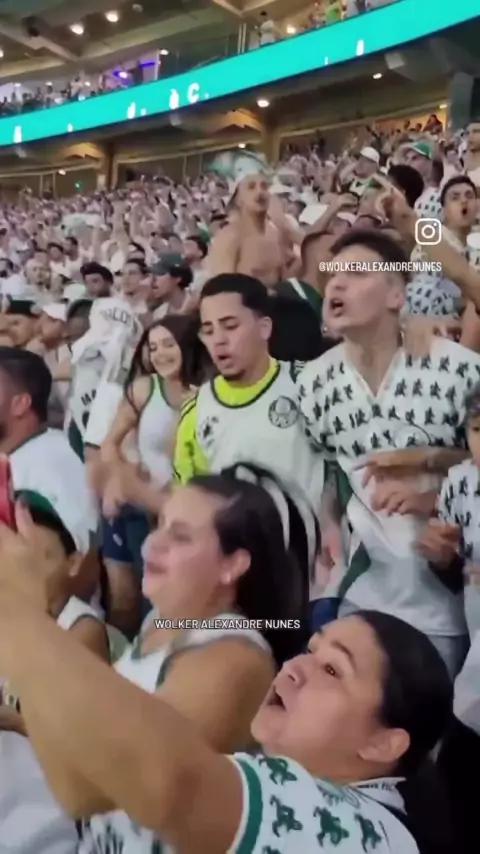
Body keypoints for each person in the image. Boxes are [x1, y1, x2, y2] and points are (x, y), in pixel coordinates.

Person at [0, 559, 454, 854]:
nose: (296, 668)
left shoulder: (360, 834)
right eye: (310, 651)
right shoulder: (165, 622)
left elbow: (162, 783)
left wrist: (18, 615)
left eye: (333, 670)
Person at [298, 229, 479, 676]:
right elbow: (329, 473)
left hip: (450, 609)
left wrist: (433, 489)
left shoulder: (457, 369)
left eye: (357, 272)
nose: (338, 283)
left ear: (397, 294)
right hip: (361, 597)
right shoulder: (313, 383)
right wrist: (328, 525)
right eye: (333, 275)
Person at [173, 273, 325, 514]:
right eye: (208, 331)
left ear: (264, 328)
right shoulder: (197, 409)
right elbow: (193, 498)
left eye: (230, 326)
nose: (219, 340)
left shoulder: (311, 383)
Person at [93, 316, 198, 636]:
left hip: (183, 513)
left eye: (168, 344)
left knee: (172, 603)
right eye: (153, 347)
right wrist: (121, 477)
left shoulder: (210, 392)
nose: (160, 354)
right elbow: (109, 444)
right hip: (139, 509)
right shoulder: (143, 388)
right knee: (134, 601)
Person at [208, 171, 290, 287]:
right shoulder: (230, 236)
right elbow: (223, 288)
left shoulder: (274, 231)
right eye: (251, 187)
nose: (260, 192)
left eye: (264, 186)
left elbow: (284, 278)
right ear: (238, 200)